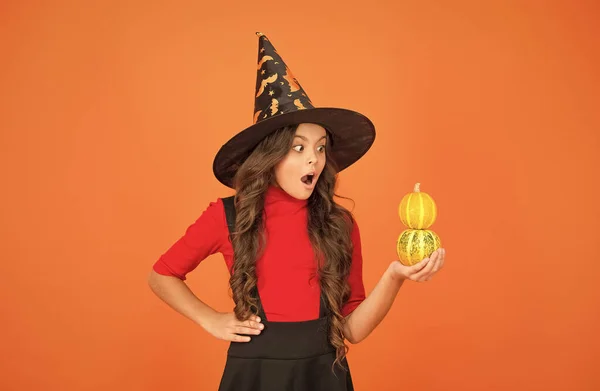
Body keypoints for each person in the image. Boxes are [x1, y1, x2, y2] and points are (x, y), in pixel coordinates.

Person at [147, 32, 445, 391]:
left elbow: (353, 329)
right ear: (270, 155)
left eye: (320, 148)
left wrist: (395, 276)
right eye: (298, 147)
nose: (313, 159)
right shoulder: (227, 216)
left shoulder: (338, 225)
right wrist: (209, 319)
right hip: (253, 377)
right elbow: (161, 275)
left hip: (323, 376)